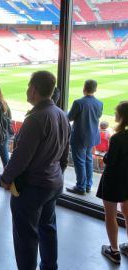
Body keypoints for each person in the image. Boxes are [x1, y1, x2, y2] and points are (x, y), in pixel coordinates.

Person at [0, 70, 70, 270]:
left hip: (32, 189)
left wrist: (5, 179)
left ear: (34, 89)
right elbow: (65, 155)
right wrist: (56, 174)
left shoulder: (36, 118)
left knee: (26, 237)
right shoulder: (62, 115)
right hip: (53, 185)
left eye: (28, 87)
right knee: (48, 229)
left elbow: (20, 158)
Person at [97, 101, 128, 264]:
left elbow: (110, 160)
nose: (114, 114)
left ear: (122, 115)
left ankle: (114, 251)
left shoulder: (117, 138)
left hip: (113, 180)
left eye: (117, 111)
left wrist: (105, 156)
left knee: (110, 215)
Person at [66, 80, 103, 196]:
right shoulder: (99, 103)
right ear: (95, 90)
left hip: (80, 137)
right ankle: (87, 185)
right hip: (92, 137)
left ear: (84, 89)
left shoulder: (78, 102)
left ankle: (81, 187)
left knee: (80, 162)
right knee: (88, 160)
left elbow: (69, 118)